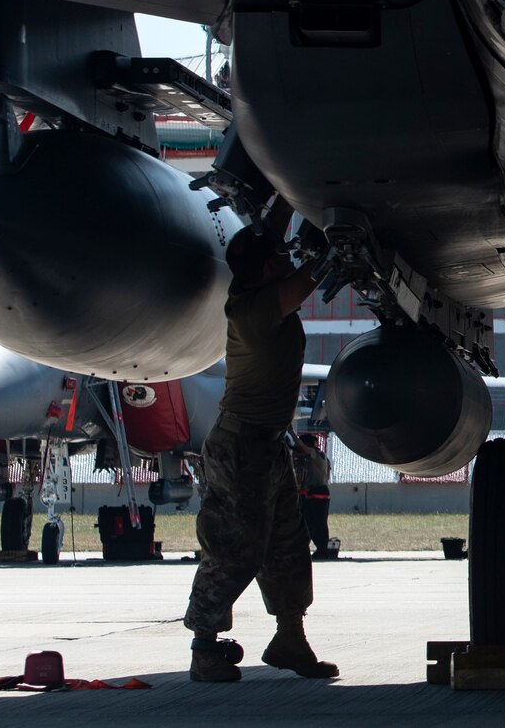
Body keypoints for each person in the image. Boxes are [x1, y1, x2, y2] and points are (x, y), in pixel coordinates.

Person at [183, 204, 338, 683]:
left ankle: (290, 638)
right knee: (233, 548)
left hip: (267, 445)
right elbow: (305, 282)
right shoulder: (253, 309)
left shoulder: (257, 282)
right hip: (240, 447)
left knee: (288, 545)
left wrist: (287, 196)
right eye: (278, 258)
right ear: (262, 269)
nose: (285, 260)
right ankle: (205, 649)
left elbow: (265, 241)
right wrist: (338, 246)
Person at [292, 432, 335, 559]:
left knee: (312, 522)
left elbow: (302, 449)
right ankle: (320, 548)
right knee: (317, 522)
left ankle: (320, 549)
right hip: (320, 492)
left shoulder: (313, 453)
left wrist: (292, 435)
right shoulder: (322, 456)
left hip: (317, 492)